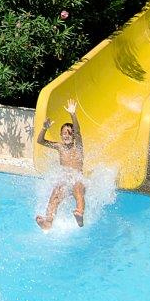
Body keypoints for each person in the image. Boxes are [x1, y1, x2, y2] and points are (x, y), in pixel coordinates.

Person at [36, 98, 86, 230]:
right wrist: (44, 128)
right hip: (65, 179)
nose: (67, 135)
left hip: (77, 178)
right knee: (55, 195)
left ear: (73, 136)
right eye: (64, 133)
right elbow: (40, 141)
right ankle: (48, 222)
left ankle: (80, 214)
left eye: (69, 133)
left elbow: (78, 131)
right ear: (61, 135)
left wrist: (73, 114)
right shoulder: (60, 147)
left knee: (78, 188)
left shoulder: (78, 146)